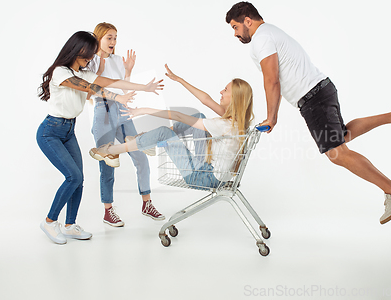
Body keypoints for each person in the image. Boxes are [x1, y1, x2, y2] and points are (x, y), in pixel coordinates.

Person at [225, 1, 391, 224]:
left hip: (313, 99)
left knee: (337, 153)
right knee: (343, 137)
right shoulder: (270, 32)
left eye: (235, 27)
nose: (235, 34)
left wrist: (272, 117)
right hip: (322, 89)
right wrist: (274, 114)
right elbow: (276, 79)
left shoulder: (260, 39)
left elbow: (272, 80)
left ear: (247, 21)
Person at [36, 31, 163, 245]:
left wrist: (144, 87)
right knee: (73, 177)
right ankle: (49, 221)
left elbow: (111, 81)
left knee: (79, 180)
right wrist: (117, 96)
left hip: (68, 131)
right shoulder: (60, 72)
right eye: (87, 53)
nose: (90, 57)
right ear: (77, 50)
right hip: (51, 131)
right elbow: (88, 88)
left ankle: (69, 226)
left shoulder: (84, 73)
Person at [89, 65, 254, 190]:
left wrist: (143, 110)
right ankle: (144, 140)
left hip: (202, 177)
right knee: (199, 117)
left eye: (225, 90)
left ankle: (112, 151)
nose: (221, 91)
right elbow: (206, 99)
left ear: (234, 98)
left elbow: (179, 116)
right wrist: (179, 80)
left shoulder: (224, 125)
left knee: (163, 133)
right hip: (212, 172)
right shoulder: (238, 122)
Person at [88, 22, 164, 225]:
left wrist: (128, 70)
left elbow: (123, 87)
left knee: (140, 156)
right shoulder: (91, 61)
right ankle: (108, 210)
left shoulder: (118, 60)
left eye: (115, 37)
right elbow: (93, 87)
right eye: (109, 38)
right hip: (103, 112)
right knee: (108, 162)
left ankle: (147, 203)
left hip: (121, 111)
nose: (113, 42)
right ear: (99, 39)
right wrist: (101, 60)